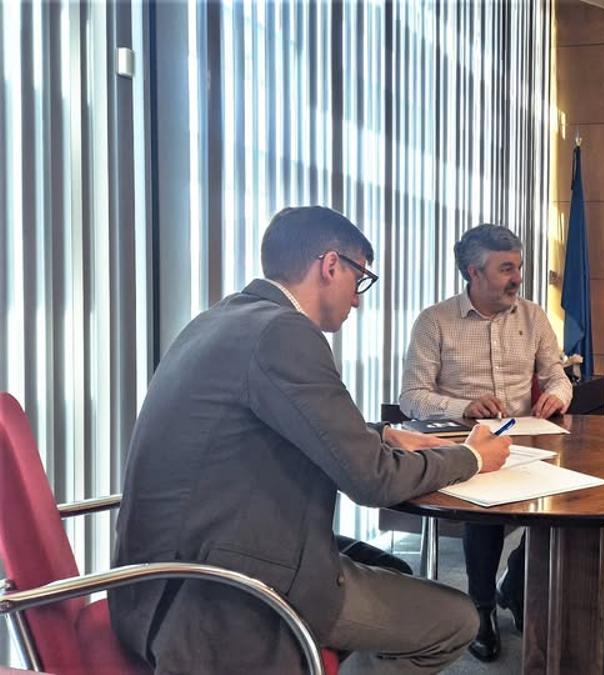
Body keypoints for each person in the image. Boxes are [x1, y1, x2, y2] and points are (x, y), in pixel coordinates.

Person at [110, 206, 512, 674]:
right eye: (360, 279)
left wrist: (385, 435)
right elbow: (372, 482)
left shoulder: (222, 319)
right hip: (219, 594)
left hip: (162, 577)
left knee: (396, 572)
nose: (358, 300)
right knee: (455, 618)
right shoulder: (285, 334)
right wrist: (471, 456)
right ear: (330, 266)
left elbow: (276, 426)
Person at [398, 223, 573, 661]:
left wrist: (557, 394)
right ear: (474, 273)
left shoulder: (533, 317)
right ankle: (481, 609)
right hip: (465, 446)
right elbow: (411, 397)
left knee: (569, 502)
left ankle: (513, 587)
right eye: (506, 269)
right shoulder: (435, 321)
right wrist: (462, 406)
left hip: (530, 440)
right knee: (486, 513)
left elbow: (557, 375)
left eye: (518, 267)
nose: (517, 278)